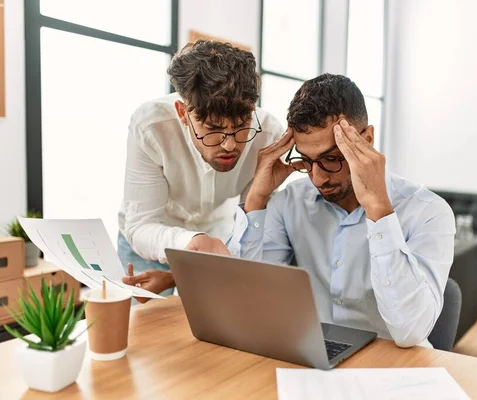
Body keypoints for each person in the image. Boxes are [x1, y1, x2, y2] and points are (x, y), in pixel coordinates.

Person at [127, 73, 455, 348]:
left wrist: (379, 211)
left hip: (395, 368)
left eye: (331, 158)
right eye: (307, 162)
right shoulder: (291, 202)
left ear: (366, 138)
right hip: (310, 359)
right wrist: (256, 197)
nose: (318, 177)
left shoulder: (428, 212)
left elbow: (409, 331)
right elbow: (249, 303)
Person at [118, 40, 282, 297]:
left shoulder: (268, 136)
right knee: (140, 330)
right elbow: (141, 225)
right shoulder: (150, 126)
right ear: (183, 113)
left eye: (241, 127)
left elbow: (252, 230)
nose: (230, 145)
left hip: (215, 244)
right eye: (213, 130)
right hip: (148, 239)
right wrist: (190, 242)